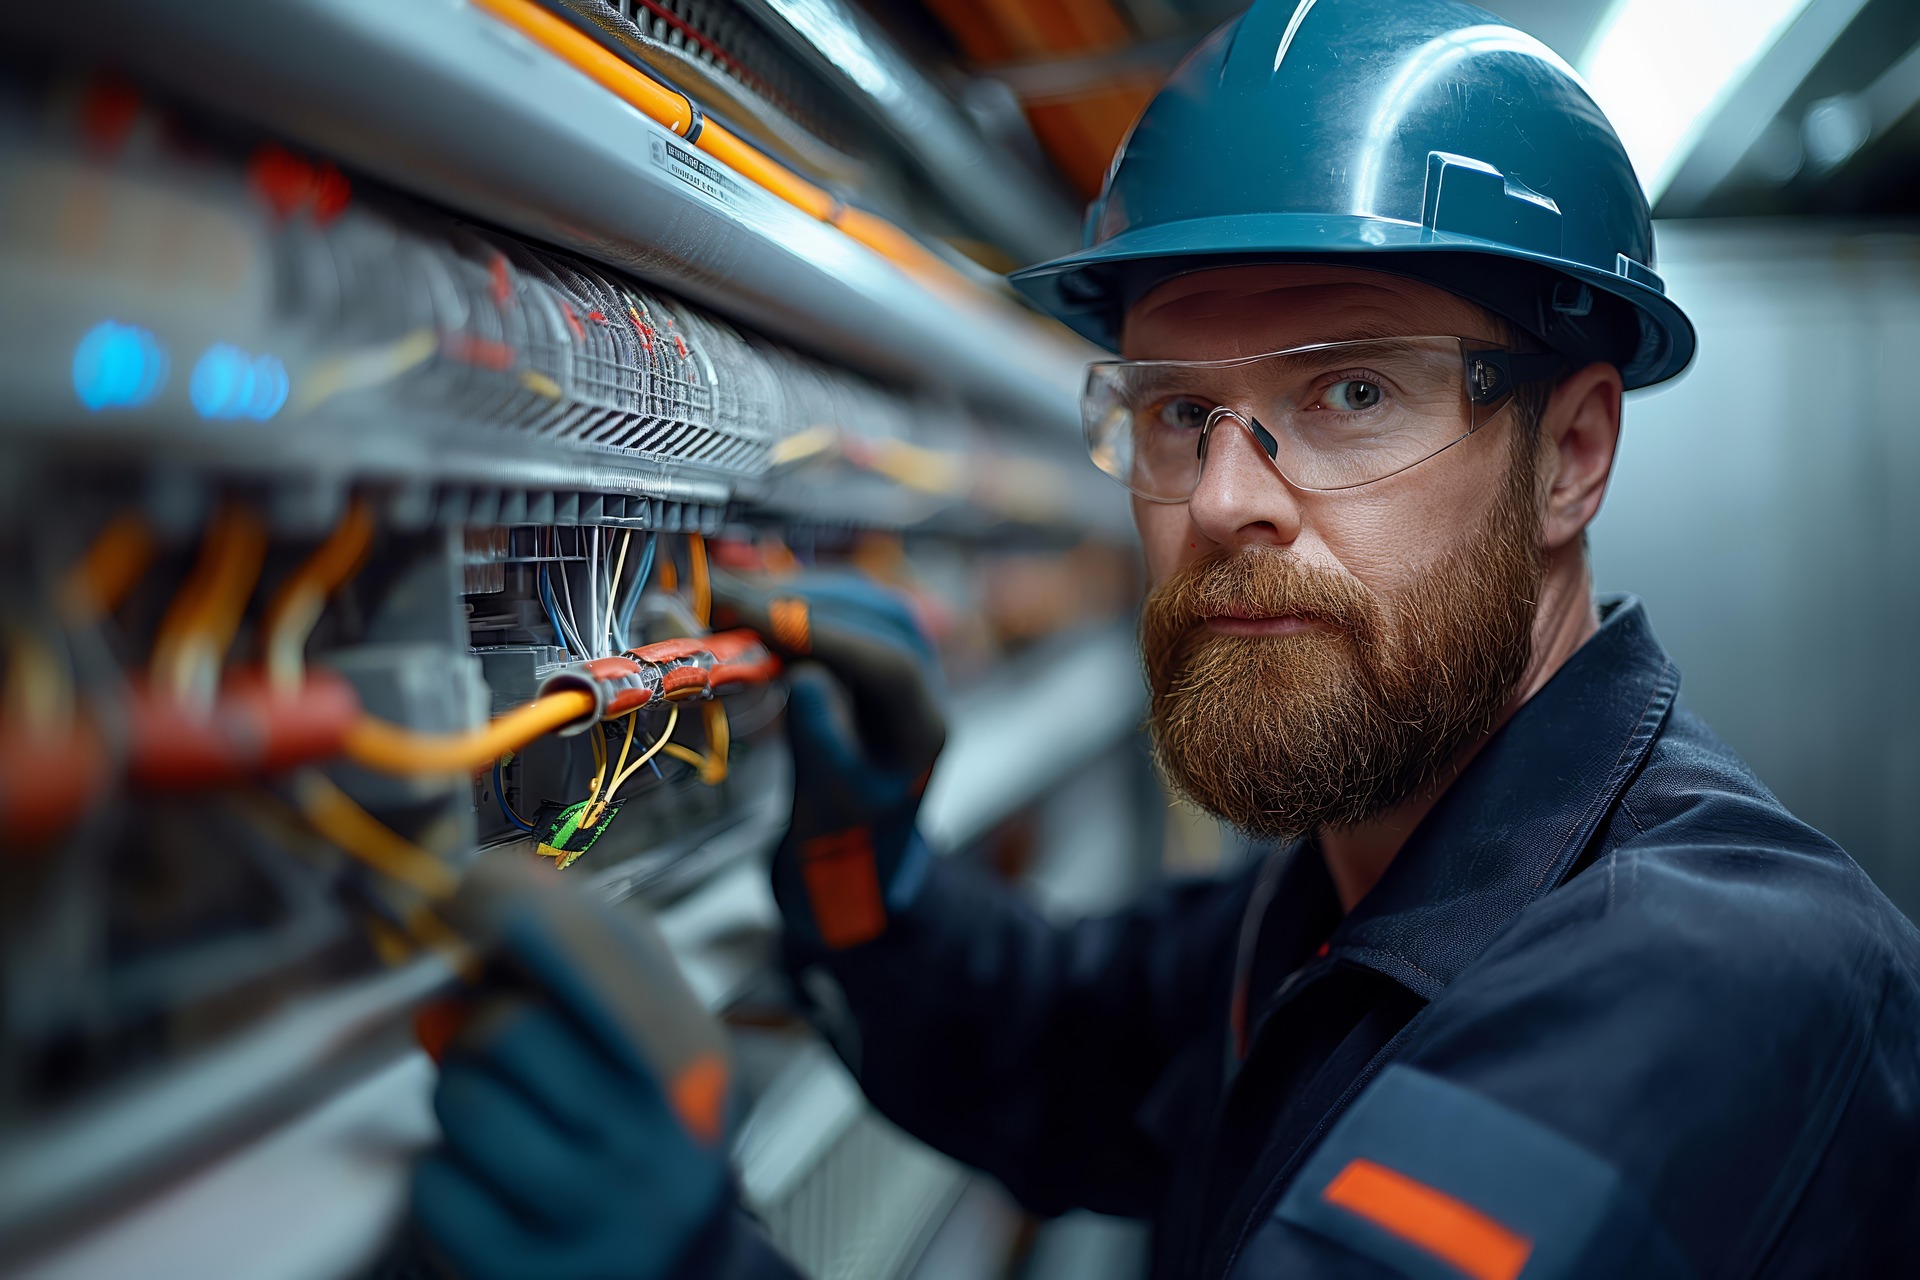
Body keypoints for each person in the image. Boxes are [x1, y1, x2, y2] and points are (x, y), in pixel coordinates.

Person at [408, 0, 1920, 1276]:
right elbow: (1061, 1049)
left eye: (1350, 396)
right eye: (1176, 412)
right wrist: (863, 874)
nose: (1220, 498)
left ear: (1573, 455)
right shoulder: (1354, 884)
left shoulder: (1711, 981)